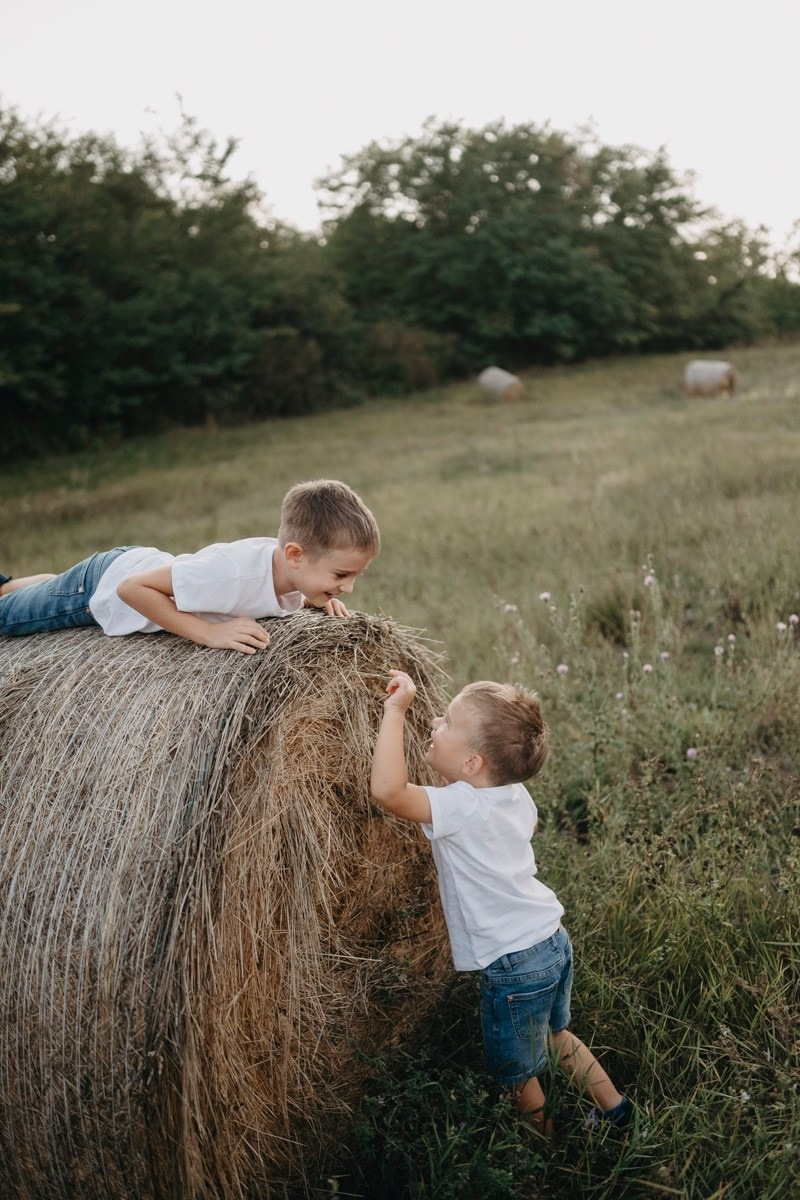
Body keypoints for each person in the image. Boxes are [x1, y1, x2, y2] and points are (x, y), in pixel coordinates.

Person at [370, 670, 633, 1135]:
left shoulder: (461, 807)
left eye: (446, 722)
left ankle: (543, 1154)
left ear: (472, 764)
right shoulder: (514, 794)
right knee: (557, 1037)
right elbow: (523, 830)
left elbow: (389, 792)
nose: (433, 722)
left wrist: (394, 713)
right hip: (551, 940)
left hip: (513, 965)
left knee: (519, 1074)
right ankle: (616, 1110)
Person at [0, 479, 379, 654]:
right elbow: (130, 590)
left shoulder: (291, 573)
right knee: (7, 618)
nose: (348, 588)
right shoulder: (232, 573)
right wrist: (207, 634)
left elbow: (283, 589)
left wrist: (316, 597)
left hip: (136, 564)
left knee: (42, 589)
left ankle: (18, 584)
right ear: (296, 555)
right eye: (341, 575)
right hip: (98, 588)